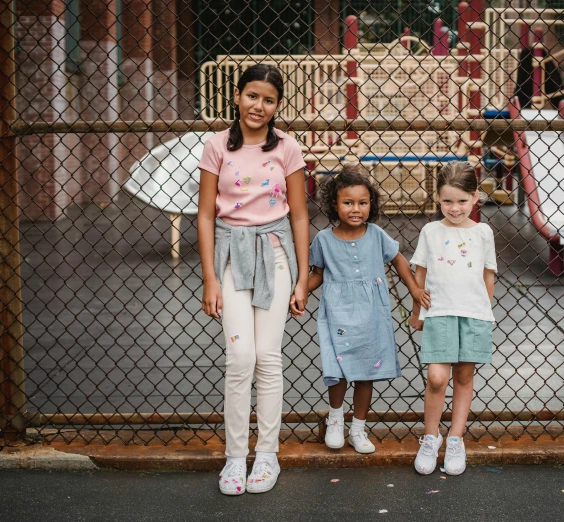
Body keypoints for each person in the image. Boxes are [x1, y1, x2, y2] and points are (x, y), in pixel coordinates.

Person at [196, 64, 309, 495]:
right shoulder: (216, 146)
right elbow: (206, 215)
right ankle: (234, 458)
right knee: (240, 357)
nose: (258, 106)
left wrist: (300, 278)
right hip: (230, 252)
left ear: (277, 106)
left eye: (268, 100)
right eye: (252, 96)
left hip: (275, 253)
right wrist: (210, 277)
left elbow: (299, 215)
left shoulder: (287, 149)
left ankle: (267, 456)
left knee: (268, 356)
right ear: (238, 96)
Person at [307, 165, 430, 453]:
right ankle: (336, 419)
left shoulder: (375, 234)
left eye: (362, 203)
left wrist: (413, 288)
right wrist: (299, 291)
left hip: (371, 314)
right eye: (348, 203)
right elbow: (318, 274)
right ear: (334, 205)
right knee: (336, 369)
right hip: (337, 313)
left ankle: (358, 428)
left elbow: (399, 259)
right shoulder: (323, 240)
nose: (355, 209)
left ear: (370, 204)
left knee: (366, 372)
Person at [408, 161, 497, 476]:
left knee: (463, 377)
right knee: (437, 378)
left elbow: (488, 275)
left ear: (475, 197)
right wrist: (417, 310)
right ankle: (431, 437)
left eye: (462, 200)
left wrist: (483, 310)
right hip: (440, 312)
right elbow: (421, 272)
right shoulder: (431, 231)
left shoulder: (483, 233)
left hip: (472, 315)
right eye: (447, 200)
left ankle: (456, 438)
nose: (455, 207)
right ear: (438, 199)